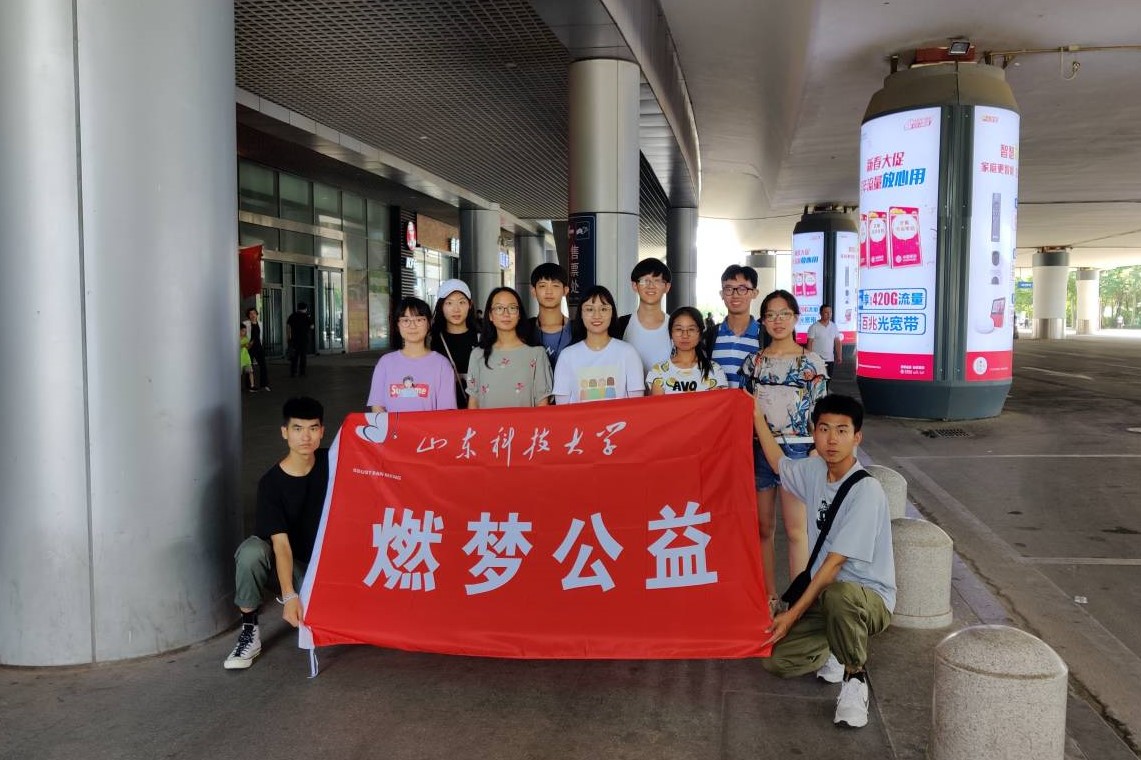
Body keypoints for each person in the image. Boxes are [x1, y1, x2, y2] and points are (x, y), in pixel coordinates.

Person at [754, 394, 895, 730]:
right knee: (776, 661)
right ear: (813, 432)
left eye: (842, 431)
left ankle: (855, 678)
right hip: (826, 595)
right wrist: (756, 415)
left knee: (838, 595)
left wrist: (791, 616)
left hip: (867, 598)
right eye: (824, 429)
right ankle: (836, 644)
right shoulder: (815, 470)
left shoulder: (866, 491)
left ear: (857, 437)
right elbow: (778, 464)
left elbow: (833, 566)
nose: (832, 439)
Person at [741, 289, 829, 617]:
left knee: (796, 531)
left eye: (784, 314)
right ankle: (769, 598)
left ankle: (798, 604)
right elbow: (745, 410)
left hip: (800, 451)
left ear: (795, 318)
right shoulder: (754, 363)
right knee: (763, 529)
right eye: (771, 315)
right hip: (759, 450)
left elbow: (822, 413)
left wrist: (818, 450)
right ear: (763, 321)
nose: (777, 321)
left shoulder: (812, 362)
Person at [225, 396, 329, 669]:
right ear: (284, 432)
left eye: (312, 428)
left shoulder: (333, 461)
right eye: (297, 429)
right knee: (251, 552)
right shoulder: (271, 484)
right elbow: (281, 545)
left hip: (324, 563)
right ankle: (250, 630)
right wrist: (290, 595)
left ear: (322, 431)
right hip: (289, 563)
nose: (305, 437)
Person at [551, 285, 644, 404]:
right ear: (581, 314)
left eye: (603, 309)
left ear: (612, 313)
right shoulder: (567, 356)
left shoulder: (628, 353)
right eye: (590, 309)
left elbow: (636, 407)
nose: (597, 316)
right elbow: (562, 409)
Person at [466, 287, 552, 408]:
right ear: (490, 315)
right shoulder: (478, 354)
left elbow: (542, 404)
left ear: (519, 314)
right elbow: (473, 402)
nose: (506, 314)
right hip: (487, 421)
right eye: (499, 308)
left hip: (525, 421)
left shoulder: (537, 353)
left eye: (512, 308)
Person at [367, 297, 457, 412]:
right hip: (392, 425)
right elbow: (377, 407)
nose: (412, 326)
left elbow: (445, 413)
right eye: (405, 320)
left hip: (430, 425)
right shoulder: (385, 363)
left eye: (419, 320)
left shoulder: (442, 365)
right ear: (397, 325)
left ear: (429, 323)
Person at [705, 264, 763, 389]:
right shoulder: (709, 337)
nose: (735, 295)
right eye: (729, 289)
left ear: (754, 293)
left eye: (742, 289)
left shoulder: (766, 336)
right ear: (722, 294)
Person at [647, 306, 728, 394]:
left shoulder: (715, 370)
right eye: (679, 329)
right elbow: (658, 403)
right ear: (671, 333)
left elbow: (717, 402)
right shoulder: (658, 371)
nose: (685, 335)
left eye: (691, 329)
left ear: (700, 334)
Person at [617, 258, 672, 375]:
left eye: (657, 281)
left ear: (667, 287)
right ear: (634, 285)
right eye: (644, 281)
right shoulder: (620, 325)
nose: (651, 286)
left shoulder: (675, 326)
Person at [430, 279, 480, 408]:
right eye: (449, 303)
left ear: (470, 305)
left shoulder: (482, 339)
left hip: (477, 410)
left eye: (462, 302)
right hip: (443, 411)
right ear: (441, 306)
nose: (456, 309)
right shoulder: (431, 341)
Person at [526, 262, 579, 369]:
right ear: (533, 291)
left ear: (565, 291)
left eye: (555, 285)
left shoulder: (578, 330)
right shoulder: (524, 329)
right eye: (542, 286)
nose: (549, 291)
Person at [807, 304, 843, 383]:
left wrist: (839, 355)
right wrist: (809, 357)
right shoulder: (814, 327)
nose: (829, 314)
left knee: (828, 381)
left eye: (830, 312)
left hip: (830, 359)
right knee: (818, 382)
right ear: (821, 313)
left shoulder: (834, 326)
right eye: (826, 312)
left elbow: (837, 342)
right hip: (817, 359)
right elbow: (809, 343)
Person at [245, 307, 270, 390]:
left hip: (259, 347)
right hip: (249, 348)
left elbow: (260, 336)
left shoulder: (260, 323)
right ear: (248, 315)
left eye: (254, 313)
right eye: (250, 314)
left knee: (263, 365)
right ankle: (249, 386)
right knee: (249, 367)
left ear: (256, 314)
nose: (252, 315)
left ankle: (264, 384)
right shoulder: (245, 324)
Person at [286, 302, 313, 378]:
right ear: (305, 309)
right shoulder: (307, 316)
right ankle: (302, 372)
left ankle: (293, 372)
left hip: (294, 339)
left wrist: (288, 337)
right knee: (303, 356)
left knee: (294, 356)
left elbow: (288, 326)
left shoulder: (292, 316)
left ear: (298, 308)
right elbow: (312, 326)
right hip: (304, 339)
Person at [240, 324, 257, 393]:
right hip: (239, 359)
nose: (245, 333)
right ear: (239, 331)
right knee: (239, 374)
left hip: (246, 358)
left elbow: (247, 348)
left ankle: (252, 386)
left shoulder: (246, 338)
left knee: (250, 372)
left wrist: (250, 345)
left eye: (245, 331)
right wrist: (243, 345)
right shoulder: (235, 338)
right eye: (243, 331)